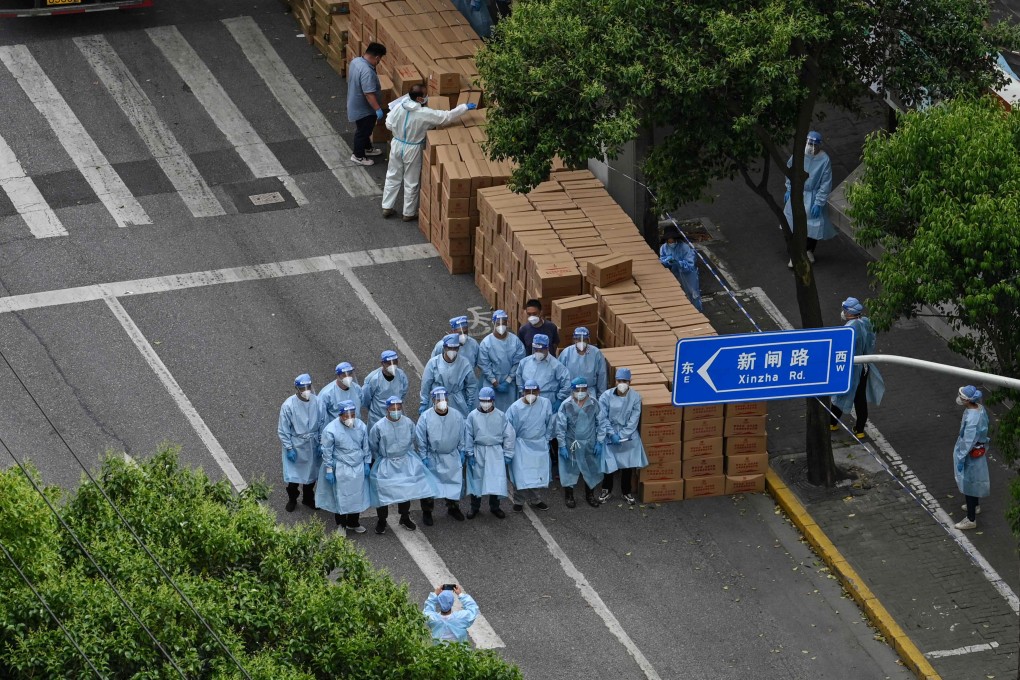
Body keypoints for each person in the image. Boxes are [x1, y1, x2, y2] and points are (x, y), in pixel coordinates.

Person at [383, 85, 476, 221]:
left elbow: (388, 124)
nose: (427, 98)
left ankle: (387, 206)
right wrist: (464, 108)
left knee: (392, 176)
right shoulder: (424, 113)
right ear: (420, 98)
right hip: (413, 148)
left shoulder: (399, 106)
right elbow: (446, 117)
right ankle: (408, 213)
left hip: (396, 144)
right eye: (425, 95)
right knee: (411, 180)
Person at [368, 396, 435, 534]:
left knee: (405, 491)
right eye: (393, 409)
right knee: (383, 493)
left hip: (405, 460)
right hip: (387, 462)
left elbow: (412, 438)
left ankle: (404, 517)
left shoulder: (408, 423)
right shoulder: (379, 426)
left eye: (399, 408)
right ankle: (382, 520)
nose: (396, 411)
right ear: (387, 409)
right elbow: (373, 445)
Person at [830, 297, 885, 439]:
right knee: (860, 399)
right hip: (864, 365)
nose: (842, 313)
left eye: (844, 311)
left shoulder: (850, 328)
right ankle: (859, 429)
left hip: (852, 367)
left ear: (849, 313)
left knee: (841, 394)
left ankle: (832, 422)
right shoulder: (866, 322)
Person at [315, 400, 371, 533]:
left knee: (357, 496)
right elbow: (327, 451)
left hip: (357, 466)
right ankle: (341, 524)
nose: (350, 418)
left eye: (352, 414)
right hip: (341, 467)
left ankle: (353, 522)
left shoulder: (361, 426)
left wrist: (367, 463)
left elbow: (366, 446)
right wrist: (329, 470)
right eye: (346, 415)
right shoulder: (331, 430)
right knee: (341, 497)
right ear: (340, 415)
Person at [415, 387, 468, 523]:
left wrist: (462, 450)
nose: (441, 402)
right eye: (438, 399)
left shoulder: (456, 416)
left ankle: (453, 508)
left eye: (443, 399)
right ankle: (427, 512)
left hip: (452, 455)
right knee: (430, 486)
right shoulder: (426, 417)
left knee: (453, 483)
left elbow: (463, 434)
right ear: (433, 400)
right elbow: (420, 439)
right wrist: (424, 456)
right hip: (433, 457)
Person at [783, 130, 835, 266]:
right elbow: (790, 170)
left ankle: (808, 250)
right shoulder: (799, 154)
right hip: (797, 193)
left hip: (812, 196)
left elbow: (825, 183)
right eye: (809, 143)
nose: (811, 147)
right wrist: (789, 188)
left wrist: (819, 202)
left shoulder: (824, 160)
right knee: (793, 223)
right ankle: (794, 255)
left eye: (814, 144)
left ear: (819, 145)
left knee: (813, 226)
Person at [598, 368, 648, 505]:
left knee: (628, 465)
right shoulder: (606, 396)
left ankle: (626, 491)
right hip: (610, 433)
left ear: (630, 382)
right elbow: (602, 417)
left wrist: (623, 435)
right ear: (615, 381)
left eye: (625, 381)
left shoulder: (635, 397)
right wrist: (612, 434)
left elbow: (634, 420)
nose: (622, 383)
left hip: (628, 435)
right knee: (609, 464)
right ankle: (606, 490)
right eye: (620, 380)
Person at [464, 387, 515, 519]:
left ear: (493, 400)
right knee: (477, 480)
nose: (485, 403)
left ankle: (495, 506)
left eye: (487, 401)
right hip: (478, 450)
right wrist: (469, 453)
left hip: (495, 451)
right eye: (482, 400)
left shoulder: (500, 416)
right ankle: (474, 507)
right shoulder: (472, 416)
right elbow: (468, 435)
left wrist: (508, 453)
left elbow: (509, 435)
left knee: (495, 480)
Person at [278, 373, 326, 512]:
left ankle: (308, 498)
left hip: (312, 444)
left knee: (311, 475)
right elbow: (283, 428)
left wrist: (322, 442)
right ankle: (292, 498)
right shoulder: (288, 405)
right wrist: (288, 447)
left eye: (308, 387)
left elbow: (323, 423)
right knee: (293, 477)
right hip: (296, 445)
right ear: (296, 389)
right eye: (302, 388)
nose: (306, 390)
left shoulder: (317, 402)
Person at [556, 377, 606, 508]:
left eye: (583, 389)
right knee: (569, 469)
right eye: (577, 389)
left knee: (591, 469)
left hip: (589, 442)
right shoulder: (566, 405)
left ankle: (590, 495)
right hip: (571, 442)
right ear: (572, 390)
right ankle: (569, 496)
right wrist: (561, 445)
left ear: (587, 389)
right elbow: (560, 427)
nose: (580, 392)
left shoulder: (594, 403)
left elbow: (601, 423)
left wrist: (600, 442)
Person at [505, 380, 553, 511]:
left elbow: (550, 422)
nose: (531, 394)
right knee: (520, 475)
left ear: (539, 391)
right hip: (521, 445)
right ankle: (518, 501)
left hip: (539, 444)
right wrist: (508, 450)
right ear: (523, 392)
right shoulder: (515, 408)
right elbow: (508, 430)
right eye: (528, 391)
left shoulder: (545, 403)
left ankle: (535, 499)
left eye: (534, 391)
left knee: (536, 474)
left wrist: (547, 439)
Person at [953, 386, 990, 530]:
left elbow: (968, 440)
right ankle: (974, 505)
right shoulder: (979, 408)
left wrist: (961, 456)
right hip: (978, 449)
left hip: (970, 452)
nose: (959, 398)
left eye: (961, 397)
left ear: (967, 400)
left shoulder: (972, 417)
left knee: (969, 483)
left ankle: (970, 519)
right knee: (975, 479)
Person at [347, 42, 387, 166]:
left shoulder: (356, 61)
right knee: (363, 131)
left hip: (355, 103)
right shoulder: (367, 71)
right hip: (364, 108)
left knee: (365, 129)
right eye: (380, 59)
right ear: (377, 57)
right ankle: (358, 155)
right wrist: (377, 109)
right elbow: (369, 94)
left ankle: (367, 148)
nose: (379, 61)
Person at [479, 310, 526, 413]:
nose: (501, 326)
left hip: (510, 384)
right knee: (490, 412)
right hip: (491, 384)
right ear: (493, 323)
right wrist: (494, 382)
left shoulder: (515, 341)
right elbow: (484, 365)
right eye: (498, 323)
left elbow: (518, 363)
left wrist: (508, 381)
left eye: (504, 323)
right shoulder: (486, 343)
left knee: (509, 412)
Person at [420, 335, 477, 417]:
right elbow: (426, 384)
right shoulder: (433, 363)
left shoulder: (464, 363)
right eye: (450, 348)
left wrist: (470, 402)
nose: (452, 351)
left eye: (455, 348)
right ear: (444, 347)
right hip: (438, 399)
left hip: (457, 402)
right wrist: (424, 402)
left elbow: (471, 384)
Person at [659, 226, 702, 312]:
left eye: (672, 239)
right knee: (679, 294)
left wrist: (678, 263)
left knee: (693, 294)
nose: (671, 242)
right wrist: (667, 262)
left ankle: (697, 312)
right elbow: (662, 260)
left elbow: (690, 265)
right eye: (669, 240)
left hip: (688, 275)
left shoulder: (684, 247)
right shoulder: (664, 248)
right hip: (675, 274)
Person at [362, 350, 409, 425]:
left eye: (395, 362)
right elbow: (366, 398)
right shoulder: (373, 379)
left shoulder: (401, 375)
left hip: (396, 415)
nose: (392, 365)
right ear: (382, 363)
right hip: (377, 418)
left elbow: (403, 393)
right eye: (389, 363)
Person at [557, 327, 607, 395]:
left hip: (589, 391)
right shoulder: (566, 353)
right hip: (569, 391)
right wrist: (561, 394)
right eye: (578, 339)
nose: (581, 342)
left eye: (584, 339)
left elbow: (602, 376)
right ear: (574, 339)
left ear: (588, 340)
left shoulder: (596, 353)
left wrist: (601, 396)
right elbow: (559, 374)